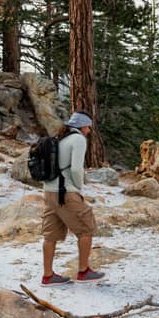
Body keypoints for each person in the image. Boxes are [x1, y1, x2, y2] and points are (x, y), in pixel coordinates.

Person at [40, 111, 106, 286]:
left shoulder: (60, 138)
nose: (89, 130)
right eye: (88, 126)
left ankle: (48, 275)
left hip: (49, 191)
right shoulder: (78, 140)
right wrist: (77, 188)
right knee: (86, 228)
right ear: (82, 126)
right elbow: (76, 168)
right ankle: (84, 271)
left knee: (50, 235)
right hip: (66, 192)